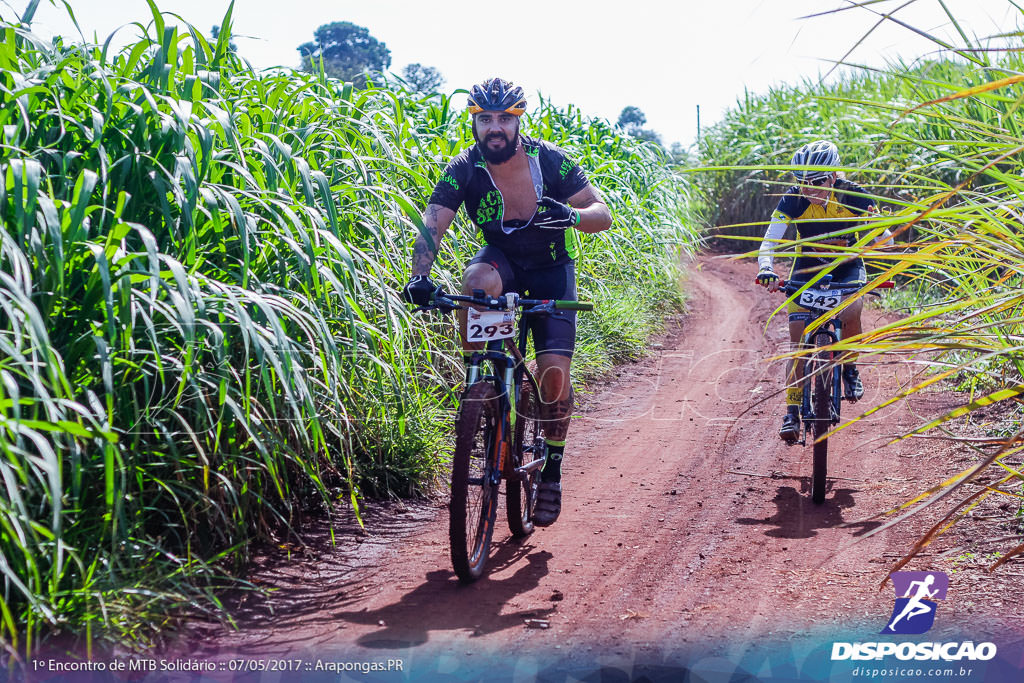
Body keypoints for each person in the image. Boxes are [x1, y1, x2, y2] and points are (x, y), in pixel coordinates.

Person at [401, 77, 612, 525]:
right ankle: (481, 385)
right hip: (503, 263)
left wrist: (572, 216)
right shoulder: (464, 167)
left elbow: (602, 214)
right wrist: (419, 277)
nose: (494, 128)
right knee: (475, 278)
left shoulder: (550, 160)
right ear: (475, 123)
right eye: (485, 119)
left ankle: (551, 470)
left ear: (518, 122)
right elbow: (431, 225)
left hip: (552, 269)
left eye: (503, 119)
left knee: (553, 375)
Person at [755, 140, 891, 442]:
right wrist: (766, 268)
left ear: (833, 176)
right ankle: (791, 411)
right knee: (798, 335)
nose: (809, 189)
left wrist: (873, 233)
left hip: (847, 267)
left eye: (817, 181)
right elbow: (769, 242)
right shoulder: (793, 200)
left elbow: (887, 241)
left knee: (852, 312)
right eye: (802, 182)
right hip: (806, 269)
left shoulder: (853, 195)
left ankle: (850, 369)